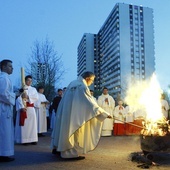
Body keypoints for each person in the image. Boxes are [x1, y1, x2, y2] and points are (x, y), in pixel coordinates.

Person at [51, 71, 112, 160]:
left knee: (63, 129)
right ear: (87, 79)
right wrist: (104, 114)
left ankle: (58, 148)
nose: (91, 83)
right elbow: (90, 104)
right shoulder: (82, 87)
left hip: (65, 112)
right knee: (73, 130)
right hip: (74, 115)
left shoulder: (72, 83)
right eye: (92, 80)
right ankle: (69, 153)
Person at [15, 75, 39, 145]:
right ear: (25, 81)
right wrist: (22, 107)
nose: (30, 82)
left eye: (31, 81)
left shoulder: (33, 89)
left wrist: (28, 97)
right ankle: (24, 139)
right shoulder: (22, 88)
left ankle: (33, 139)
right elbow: (18, 99)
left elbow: (36, 97)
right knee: (24, 125)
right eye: (28, 80)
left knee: (32, 125)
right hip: (24, 108)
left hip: (31, 108)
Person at [0, 59, 16, 162]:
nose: (12, 68)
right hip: (3, 108)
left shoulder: (6, 78)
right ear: (4, 67)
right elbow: (3, 94)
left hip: (5, 108)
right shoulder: (3, 78)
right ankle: (2, 154)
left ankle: (5, 153)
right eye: (10, 66)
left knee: (6, 131)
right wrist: (15, 95)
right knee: (3, 131)